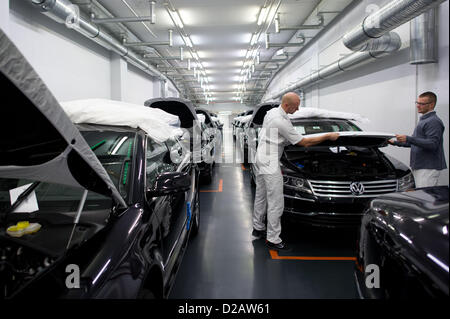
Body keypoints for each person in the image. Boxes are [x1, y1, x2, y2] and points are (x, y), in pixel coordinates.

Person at [252, 92, 339, 250]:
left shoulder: (271, 113)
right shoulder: (280, 120)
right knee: (276, 201)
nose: (298, 109)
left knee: (261, 195)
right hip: (270, 161)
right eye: (296, 106)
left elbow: (279, 135)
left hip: (261, 157)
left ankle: (258, 228)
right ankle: (273, 238)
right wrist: (328, 136)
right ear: (286, 105)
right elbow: (303, 142)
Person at [389, 91, 446, 188]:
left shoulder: (433, 121)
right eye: (417, 103)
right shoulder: (425, 120)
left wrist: (408, 138)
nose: (418, 106)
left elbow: (432, 144)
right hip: (421, 167)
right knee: (423, 195)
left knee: (425, 196)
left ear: (431, 105)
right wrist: (394, 142)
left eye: (421, 104)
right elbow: (415, 143)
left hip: (427, 167)